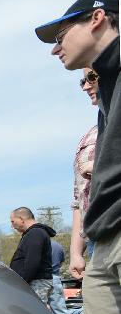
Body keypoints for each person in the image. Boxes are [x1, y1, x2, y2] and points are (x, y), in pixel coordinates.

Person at [37, 0, 121, 314]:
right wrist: (81, 245)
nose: (55, 46)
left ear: (96, 18)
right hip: (105, 236)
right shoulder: (105, 87)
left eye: (60, 31)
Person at [8, 207, 57, 314]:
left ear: (22, 218)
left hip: (37, 281)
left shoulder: (35, 233)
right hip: (35, 281)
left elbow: (32, 262)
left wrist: (22, 281)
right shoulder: (33, 234)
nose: (12, 225)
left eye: (13, 221)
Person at [70, 69, 99, 277]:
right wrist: (75, 252)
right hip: (95, 241)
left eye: (92, 77)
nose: (86, 86)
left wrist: (101, 169)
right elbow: (79, 201)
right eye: (83, 81)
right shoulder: (89, 136)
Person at [48, 239, 74, 314]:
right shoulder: (58, 246)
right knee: (60, 308)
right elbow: (61, 261)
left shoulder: (38, 243)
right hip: (55, 278)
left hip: (41, 278)